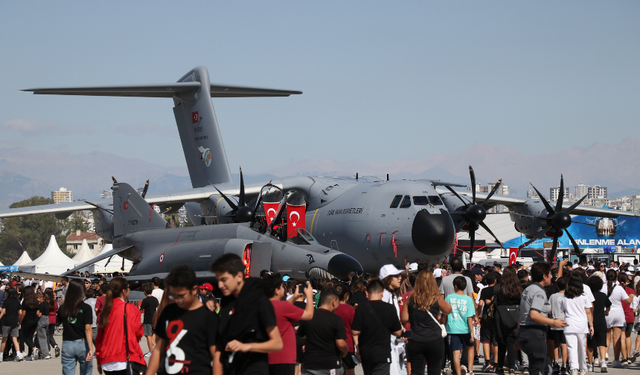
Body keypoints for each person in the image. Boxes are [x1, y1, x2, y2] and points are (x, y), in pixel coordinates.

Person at [210, 253, 282, 375]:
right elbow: (220, 347)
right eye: (218, 280)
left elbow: (277, 343)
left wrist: (247, 346)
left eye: (224, 280)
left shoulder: (260, 302)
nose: (220, 285)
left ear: (239, 276)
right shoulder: (227, 302)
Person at [146, 265, 219, 375]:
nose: (177, 300)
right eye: (173, 296)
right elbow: (159, 349)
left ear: (194, 290)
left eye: (181, 296)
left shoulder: (207, 316)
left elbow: (217, 355)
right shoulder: (168, 312)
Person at [517, 262, 567, 375]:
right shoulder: (539, 291)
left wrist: (518, 334)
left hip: (525, 333)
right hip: (534, 334)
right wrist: (554, 322)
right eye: (550, 274)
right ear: (544, 276)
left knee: (542, 367)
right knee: (541, 369)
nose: (551, 277)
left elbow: (521, 313)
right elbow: (534, 314)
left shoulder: (528, 289)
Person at [401, 271, 451, 375]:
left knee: (416, 371)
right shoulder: (436, 297)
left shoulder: (411, 298)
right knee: (434, 370)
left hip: (416, 339)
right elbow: (448, 310)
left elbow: (404, 318)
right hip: (434, 339)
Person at [263, 274, 314, 375]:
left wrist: (294, 297)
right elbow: (309, 315)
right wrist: (309, 296)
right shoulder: (284, 306)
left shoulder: (261, 306)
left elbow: (282, 307)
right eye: (282, 287)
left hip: (265, 357)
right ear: (276, 290)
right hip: (283, 358)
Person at [95, 277, 145, 375]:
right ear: (123, 291)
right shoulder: (131, 308)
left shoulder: (105, 311)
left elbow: (99, 338)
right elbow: (139, 333)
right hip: (125, 357)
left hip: (107, 360)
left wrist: (98, 359)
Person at [352, 279, 403, 375]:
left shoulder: (361, 308)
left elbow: (355, 331)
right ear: (382, 293)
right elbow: (398, 332)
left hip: (366, 352)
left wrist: (358, 347)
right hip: (383, 353)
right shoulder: (390, 308)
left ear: (367, 293)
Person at [298, 286, 348, 375]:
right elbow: (340, 343)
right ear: (334, 301)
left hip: (311, 364)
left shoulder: (309, 316)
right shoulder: (336, 319)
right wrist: (345, 350)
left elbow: (301, 334)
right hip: (331, 364)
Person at [58, 279, 93, 375]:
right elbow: (87, 328)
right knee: (86, 371)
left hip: (67, 342)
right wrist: (90, 348)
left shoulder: (63, 307)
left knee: (68, 370)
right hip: (82, 343)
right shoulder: (86, 308)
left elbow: (58, 322)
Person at [561, 272, 593, 375]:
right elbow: (588, 311)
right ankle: (583, 367)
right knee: (581, 347)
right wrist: (591, 325)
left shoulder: (565, 295)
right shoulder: (584, 295)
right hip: (581, 324)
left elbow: (563, 310)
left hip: (569, 323)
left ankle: (574, 368)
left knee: (571, 348)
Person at [445, 276, 475, 375]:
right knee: (470, 348)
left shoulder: (449, 297)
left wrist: (444, 325)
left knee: (456, 352)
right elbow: (469, 317)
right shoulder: (469, 299)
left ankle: (458, 373)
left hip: (452, 328)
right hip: (465, 328)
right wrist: (472, 332)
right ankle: (470, 370)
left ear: (455, 286)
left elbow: (445, 314)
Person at [604, 269, 633, 367]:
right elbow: (628, 301)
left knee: (606, 337)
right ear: (615, 278)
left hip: (607, 313)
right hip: (618, 313)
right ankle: (616, 360)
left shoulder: (602, 286)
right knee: (617, 338)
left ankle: (604, 357)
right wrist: (633, 296)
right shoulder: (619, 288)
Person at [586, 276, 610, 373]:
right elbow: (608, 306)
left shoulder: (588, 296)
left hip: (590, 322)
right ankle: (603, 361)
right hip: (601, 321)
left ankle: (591, 364)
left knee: (591, 345)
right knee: (602, 343)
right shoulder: (603, 295)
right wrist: (606, 312)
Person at [477, 272, 498, 373]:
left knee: (485, 340)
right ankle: (496, 362)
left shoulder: (484, 290)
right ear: (495, 280)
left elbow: (480, 303)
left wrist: (478, 313)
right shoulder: (498, 290)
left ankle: (487, 361)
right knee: (495, 341)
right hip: (497, 317)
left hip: (486, 317)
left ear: (486, 281)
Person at [333, 284, 356, 375]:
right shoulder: (351, 310)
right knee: (349, 370)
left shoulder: (331, 309)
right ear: (346, 295)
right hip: (348, 344)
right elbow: (354, 330)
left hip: (333, 344)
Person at [548, 276, 568, 375]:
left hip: (555, 322)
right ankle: (564, 364)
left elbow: (549, 310)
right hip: (565, 322)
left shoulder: (552, 296)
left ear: (557, 286)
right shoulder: (568, 296)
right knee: (564, 345)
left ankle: (556, 363)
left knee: (556, 344)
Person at [0, 288, 24, 362]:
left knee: (4, 339)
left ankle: (1, 355)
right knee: (15, 339)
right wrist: (18, 320)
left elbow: (3, 311)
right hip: (14, 322)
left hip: (6, 322)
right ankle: (18, 353)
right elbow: (20, 312)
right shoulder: (17, 302)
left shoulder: (6, 301)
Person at [20, 285, 39, 361]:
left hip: (27, 321)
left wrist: (20, 322)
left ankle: (34, 348)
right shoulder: (36, 301)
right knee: (30, 337)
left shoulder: (26, 301)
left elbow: (23, 313)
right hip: (35, 320)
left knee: (25, 337)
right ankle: (30, 354)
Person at [139, 283, 159, 356]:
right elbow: (158, 307)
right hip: (154, 319)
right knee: (153, 333)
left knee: (148, 335)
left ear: (145, 292)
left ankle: (150, 350)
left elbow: (141, 310)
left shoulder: (145, 300)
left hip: (147, 319)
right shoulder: (155, 299)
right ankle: (153, 344)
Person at [45, 287, 60, 358]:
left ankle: (47, 350)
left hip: (48, 318)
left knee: (47, 336)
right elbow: (56, 308)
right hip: (53, 318)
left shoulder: (46, 301)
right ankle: (55, 345)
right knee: (50, 335)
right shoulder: (54, 301)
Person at [35, 290, 51, 359]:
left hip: (42, 320)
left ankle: (45, 353)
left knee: (41, 337)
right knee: (45, 336)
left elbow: (39, 314)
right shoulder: (47, 304)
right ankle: (46, 352)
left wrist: (37, 311)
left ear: (41, 298)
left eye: (38, 298)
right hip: (47, 319)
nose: (37, 299)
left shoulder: (41, 305)